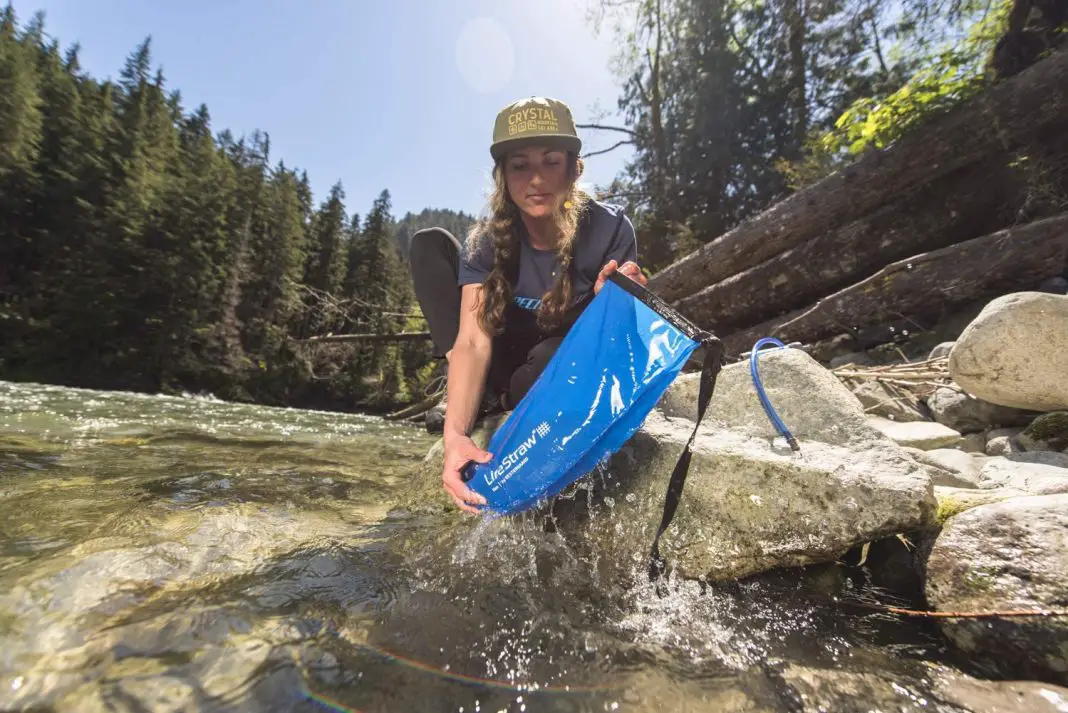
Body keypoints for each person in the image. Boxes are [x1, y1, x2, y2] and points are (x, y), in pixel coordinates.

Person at [408, 96, 647, 514]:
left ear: (575, 168)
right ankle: (469, 396)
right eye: (520, 165)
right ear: (503, 176)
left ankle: (499, 401)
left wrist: (623, 300)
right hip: (499, 355)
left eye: (551, 161)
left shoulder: (610, 228)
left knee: (555, 355)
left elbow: (613, 349)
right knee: (429, 244)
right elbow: (472, 342)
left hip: (555, 362)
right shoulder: (485, 242)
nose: (536, 178)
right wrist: (456, 438)